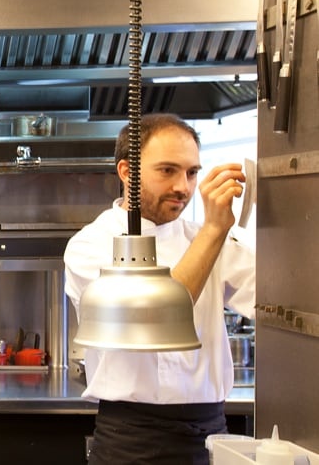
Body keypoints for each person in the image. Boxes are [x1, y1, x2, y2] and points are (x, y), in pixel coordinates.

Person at [63, 113, 255, 465]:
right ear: (126, 172)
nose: (183, 187)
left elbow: (277, 299)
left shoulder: (209, 238)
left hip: (212, 433)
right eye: (167, 171)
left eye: (192, 172)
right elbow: (154, 320)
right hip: (132, 438)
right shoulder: (91, 246)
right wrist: (215, 230)